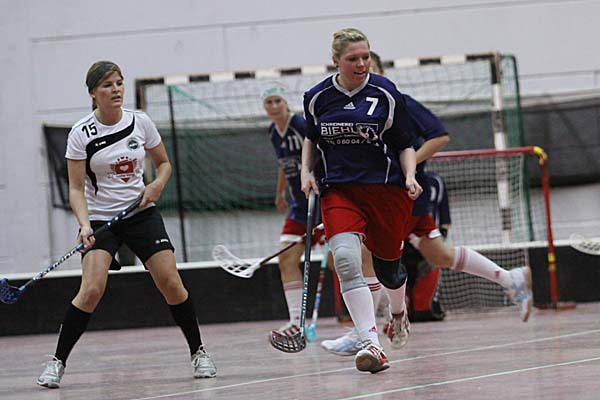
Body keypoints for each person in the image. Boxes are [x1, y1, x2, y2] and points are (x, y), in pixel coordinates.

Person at [320, 50, 533, 356]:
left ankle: (365, 331)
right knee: (438, 254)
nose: (363, 70)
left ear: (380, 71)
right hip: (379, 194)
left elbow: (439, 135)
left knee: (366, 254)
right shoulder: (344, 108)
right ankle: (508, 278)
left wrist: (407, 166)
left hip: (398, 194)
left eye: (370, 66)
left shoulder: (398, 102)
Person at [36, 61, 217, 388]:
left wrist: (156, 185)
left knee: (170, 282)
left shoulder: (140, 122)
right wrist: (84, 225)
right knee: (91, 290)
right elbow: (75, 188)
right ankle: (57, 362)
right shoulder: (81, 133)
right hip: (101, 219)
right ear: (93, 93)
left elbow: (164, 164)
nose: (116, 89)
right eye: (107, 85)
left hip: (141, 213)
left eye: (119, 83)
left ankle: (198, 352)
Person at [301, 28, 423, 374]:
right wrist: (305, 171)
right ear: (336, 61)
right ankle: (371, 343)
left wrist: (410, 176)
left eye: (366, 56)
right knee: (345, 258)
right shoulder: (316, 97)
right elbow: (312, 138)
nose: (362, 63)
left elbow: (405, 144)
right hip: (340, 190)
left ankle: (398, 313)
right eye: (353, 58)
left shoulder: (386, 93)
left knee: (389, 271)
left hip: (386, 190)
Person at [262, 83, 318, 337]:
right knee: (286, 258)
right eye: (269, 102)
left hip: (320, 200)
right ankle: (296, 321)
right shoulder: (273, 132)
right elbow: (283, 165)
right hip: (299, 205)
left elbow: (320, 151)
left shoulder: (300, 124)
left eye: (278, 101)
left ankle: (383, 307)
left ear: (286, 103)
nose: (274, 106)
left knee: (345, 260)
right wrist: (280, 192)